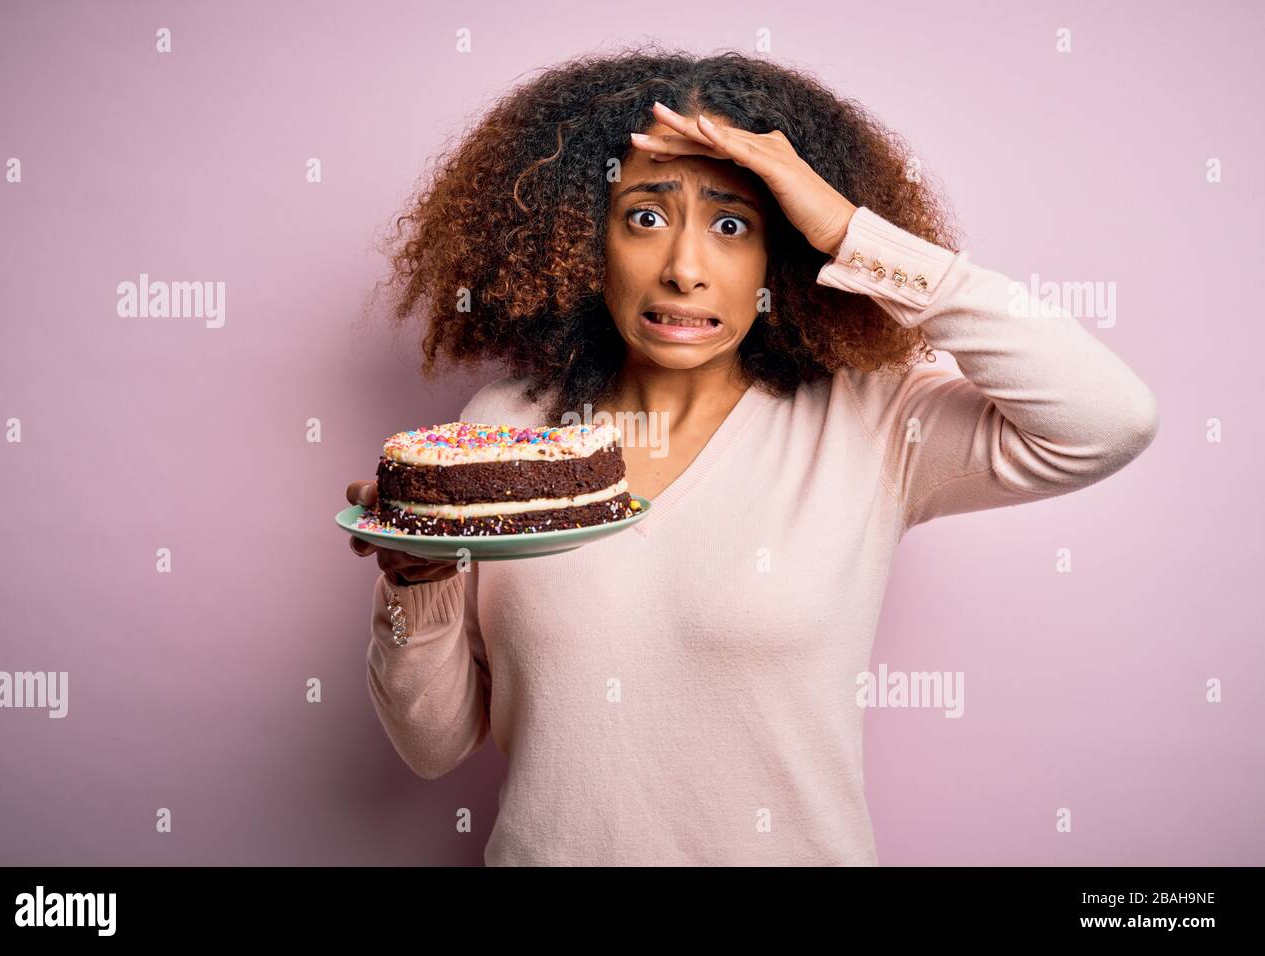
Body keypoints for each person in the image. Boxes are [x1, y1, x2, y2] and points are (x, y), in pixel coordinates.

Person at [346, 48, 1159, 866]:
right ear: (580, 240)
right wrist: (418, 583)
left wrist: (854, 235)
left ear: (784, 253)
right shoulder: (508, 429)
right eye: (645, 217)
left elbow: (1109, 420)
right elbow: (434, 745)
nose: (685, 269)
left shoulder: (872, 420)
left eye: (733, 225)